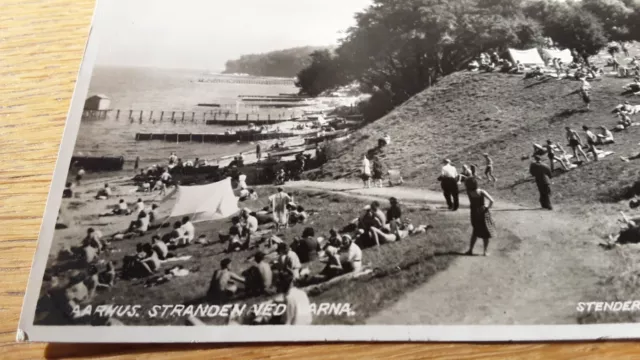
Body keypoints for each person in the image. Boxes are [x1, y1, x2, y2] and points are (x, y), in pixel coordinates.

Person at [464, 177, 495, 256]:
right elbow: (492, 200)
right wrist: (487, 208)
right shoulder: (481, 191)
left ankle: (470, 250)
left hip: (474, 213)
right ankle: (485, 251)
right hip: (483, 212)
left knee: (475, 231)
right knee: (486, 232)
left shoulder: (469, 192)